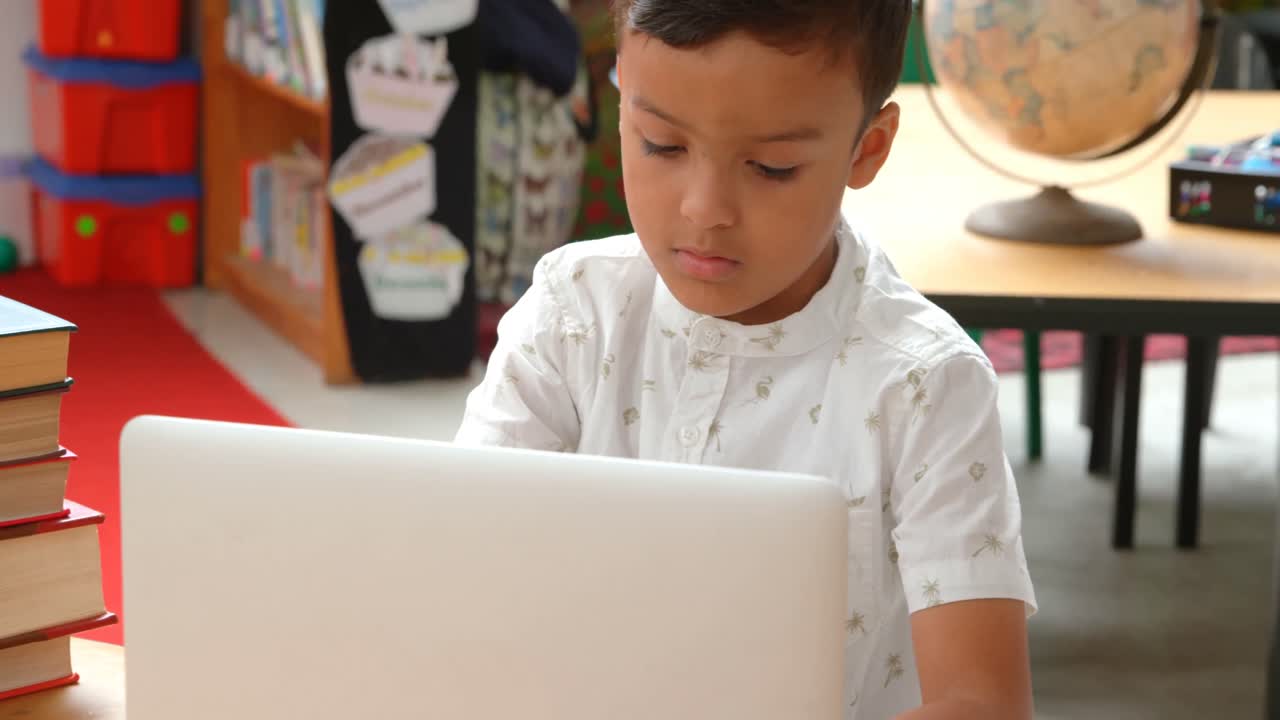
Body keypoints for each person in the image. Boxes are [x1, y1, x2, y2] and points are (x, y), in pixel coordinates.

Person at [456, 1, 1037, 717]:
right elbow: (464, 573)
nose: (704, 209)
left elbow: (981, 704)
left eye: (772, 166)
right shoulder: (570, 315)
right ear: (619, 95)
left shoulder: (924, 383)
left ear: (867, 149)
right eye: (662, 144)